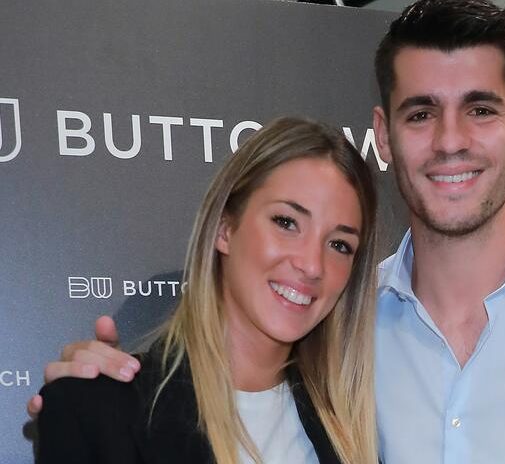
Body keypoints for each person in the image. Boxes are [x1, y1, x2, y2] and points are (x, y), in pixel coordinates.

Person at [31, 1, 505, 462]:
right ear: (383, 134)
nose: (450, 140)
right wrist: (90, 397)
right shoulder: (338, 334)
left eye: (479, 110)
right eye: (421, 113)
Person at [35, 117, 379, 464]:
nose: (312, 265)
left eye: (339, 245)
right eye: (286, 222)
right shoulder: (98, 413)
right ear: (224, 229)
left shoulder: (359, 431)